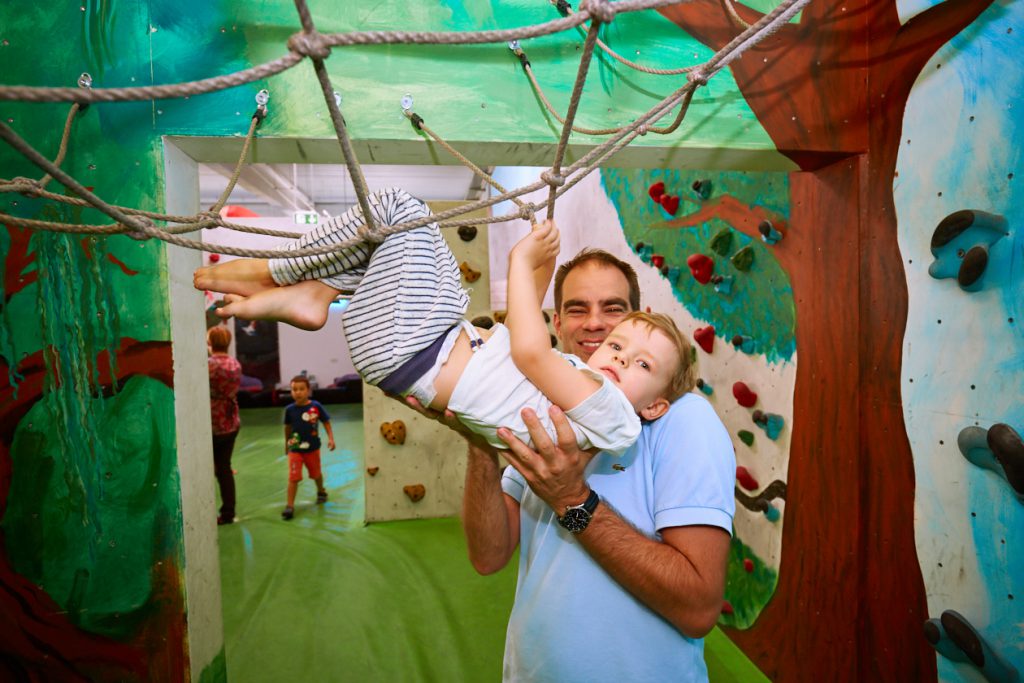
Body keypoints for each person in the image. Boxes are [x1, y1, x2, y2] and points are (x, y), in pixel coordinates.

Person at [415, 248, 735, 682]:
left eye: (613, 309)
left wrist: (573, 499)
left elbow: (698, 608)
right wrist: (481, 446)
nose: (595, 323)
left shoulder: (685, 419)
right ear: (558, 324)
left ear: (633, 317)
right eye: (577, 309)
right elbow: (489, 556)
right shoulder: (542, 413)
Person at [193, 189, 695, 458]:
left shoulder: (613, 413)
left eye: (640, 363)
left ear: (655, 405)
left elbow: (529, 351)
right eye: (618, 345)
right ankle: (318, 293)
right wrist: (546, 258)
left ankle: (271, 271)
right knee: (391, 243)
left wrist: (522, 260)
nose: (616, 355)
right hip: (428, 344)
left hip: (415, 348)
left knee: (399, 210)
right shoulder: (586, 392)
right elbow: (529, 334)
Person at [281, 374, 335, 520]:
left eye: (301, 389)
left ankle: (321, 491)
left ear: (308, 390)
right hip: (295, 449)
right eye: (294, 389)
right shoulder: (289, 410)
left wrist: (331, 438)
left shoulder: (315, 407)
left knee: (316, 474)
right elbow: (287, 428)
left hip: (312, 449)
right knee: (293, 477)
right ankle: (290, 506)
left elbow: (326, 422)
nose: (297, 392)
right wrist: (287, 444)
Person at [207, 324, 242, 526]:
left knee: (207, 468)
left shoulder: (209, 364)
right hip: (231, 421)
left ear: (210, 343)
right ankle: (228, 512)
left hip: (212, 422)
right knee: (225, 468)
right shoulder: (235, 364)